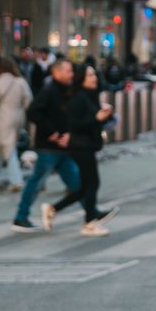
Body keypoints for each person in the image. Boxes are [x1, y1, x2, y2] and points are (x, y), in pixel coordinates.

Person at [12, 58, 82, 231]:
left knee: (76, 183)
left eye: (71, 71)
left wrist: (69, 134)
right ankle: (21, 217)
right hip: (48, 147)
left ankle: (92, 213)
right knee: (36, 182)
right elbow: (33, 112)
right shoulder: (49, 90)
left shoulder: (66, 90)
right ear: (57, 73)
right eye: (68, 71)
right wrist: (52, 132)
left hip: (63, 147)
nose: (71, 74)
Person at [45, 64, 113, 235]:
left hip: (87, 144)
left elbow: (94, 122)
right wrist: (97, 118)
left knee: (83, 187)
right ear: (81, 79)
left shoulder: (91, 96)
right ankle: (89, 222)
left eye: (94, 74)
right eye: (89, 75)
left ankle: (53, 209)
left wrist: (105, 116)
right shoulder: (78, 98)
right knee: (92, 183)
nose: (94, 78)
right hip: (81, 146)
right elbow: (75, 125)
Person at [0, 56, 34, 190]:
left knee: (8, 147)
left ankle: (16, 180)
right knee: (2, 145)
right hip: (19, 117)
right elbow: (29, 100)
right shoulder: (21, 82)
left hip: (3, 117)